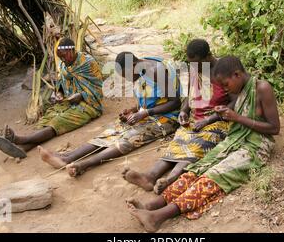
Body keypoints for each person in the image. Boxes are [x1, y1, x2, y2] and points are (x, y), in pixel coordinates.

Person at [126, 55, 280, 232]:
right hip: (234, 139)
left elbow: (274, 128)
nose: (224, 89)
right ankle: (153, 206)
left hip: (255, 145)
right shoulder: (241, 89)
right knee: (198, 168)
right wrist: (224, 112)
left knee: (214, 176)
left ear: (237, 74)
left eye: (225, 85)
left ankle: (159, 217)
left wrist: (237, 117)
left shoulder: (262, 88)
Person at [38, 51, 182, 177]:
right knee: (113, 131)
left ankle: (84, 164)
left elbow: (175, 103)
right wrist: (133, 110)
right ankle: (67, 157)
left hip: (168, 118)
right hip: (148, 113)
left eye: (126, 75)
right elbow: (151, 97)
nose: (126, 79)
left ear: (133, 66)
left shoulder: (156, 71)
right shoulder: (140, 68)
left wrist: (145, 113)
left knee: (130, 138)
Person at [123, 39, 233, 194]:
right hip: (196, 118)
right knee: (179, 142)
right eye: (190, 64)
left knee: (198, 144)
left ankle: (171, 178)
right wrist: (184, 111)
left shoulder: (225, 70)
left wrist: (209, 120)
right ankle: (149, 176)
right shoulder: (196, 68)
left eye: (197, 63)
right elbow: (190, 95)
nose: (194, 67)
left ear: (208, 56)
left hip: (220, 120)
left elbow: (235, 102)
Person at [0, 37, 103, 158]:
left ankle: (19, 139)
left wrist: (82, 95)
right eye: (60, 57)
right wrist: (59, 94)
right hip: (68, 103)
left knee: (58, 121)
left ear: (72, 50)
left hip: (88, 105)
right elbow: (61, 85)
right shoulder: (63, 65)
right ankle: (23, 149)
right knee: (48, 118)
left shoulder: (88, 63)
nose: (62, 60)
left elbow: (98, 86)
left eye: (64, 56)